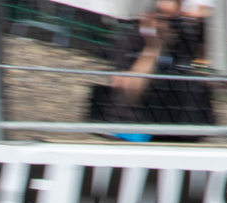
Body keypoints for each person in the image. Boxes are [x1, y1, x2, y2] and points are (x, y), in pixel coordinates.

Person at [88, 0, 216, 141]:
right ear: (148, 17)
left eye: (173, 19)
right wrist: (152, 48)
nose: (167, 25)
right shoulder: (131, 40)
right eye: (161, 16)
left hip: (178, 132)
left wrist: (204, 18)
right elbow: (128, 93)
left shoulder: (185, 40)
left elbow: (205, 69)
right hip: (136, 131)